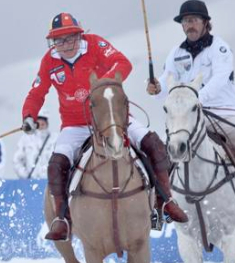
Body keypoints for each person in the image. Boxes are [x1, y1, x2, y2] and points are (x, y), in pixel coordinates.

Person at [22, 13, 187, 241]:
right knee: (56, 164)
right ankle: (62, 218)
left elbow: (123, 63)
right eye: (58, 40)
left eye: (70, 38)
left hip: (112, 118)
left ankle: (165, 201)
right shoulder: (49, 61)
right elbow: (36, 92)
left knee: (153, 143)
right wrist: (28, 116)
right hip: (75, 124)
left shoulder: (94, 44)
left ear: (80, 36)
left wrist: (102, 85)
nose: (65, 45)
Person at [147, 0, 235, 221]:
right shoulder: (176, 53)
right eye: (186, 21)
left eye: (194, 20)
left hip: (222, 115)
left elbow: (220, 79)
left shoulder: (220, 48)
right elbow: (167, 82)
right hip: (187, 118)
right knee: (163, 157)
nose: (190, 25)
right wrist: (156, 88)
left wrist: (196, 98)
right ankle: (159, 206)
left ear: (205, 22)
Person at [12, 113, 56, 180]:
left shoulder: (54, 139)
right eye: (38, 124)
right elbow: (17, 160)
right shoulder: (26, 139)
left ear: (47, 124)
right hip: (30, 181)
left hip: (49, 182)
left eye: (43, 124)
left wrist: (55, 177)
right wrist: (24, 175)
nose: (40, 127)